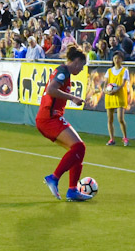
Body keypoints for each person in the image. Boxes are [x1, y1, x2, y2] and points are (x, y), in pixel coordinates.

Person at [39, 46, 92, 201]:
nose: (81, 69)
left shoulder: (64, 73)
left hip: (49, 118)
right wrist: (72, 97)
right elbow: (51, 90)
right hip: (49, 118)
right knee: (79, 147)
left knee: (78, 151)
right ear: (76, 61)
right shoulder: (63, 72)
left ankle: (72, 190)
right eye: (82, 66)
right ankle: (54, 178)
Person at [104, 52, 129, 146]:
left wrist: (116, 90)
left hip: (120, 96)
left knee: (120, 119)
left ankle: (125, 138)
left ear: (122, 60)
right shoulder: (109, 71)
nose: (116, 60)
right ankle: (112, 139)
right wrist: (106, 91)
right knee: (110, 119)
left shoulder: (124, 71)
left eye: (118, 58)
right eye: (115, 58)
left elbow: (123, 84)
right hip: (110, 96)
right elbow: (105, 83)